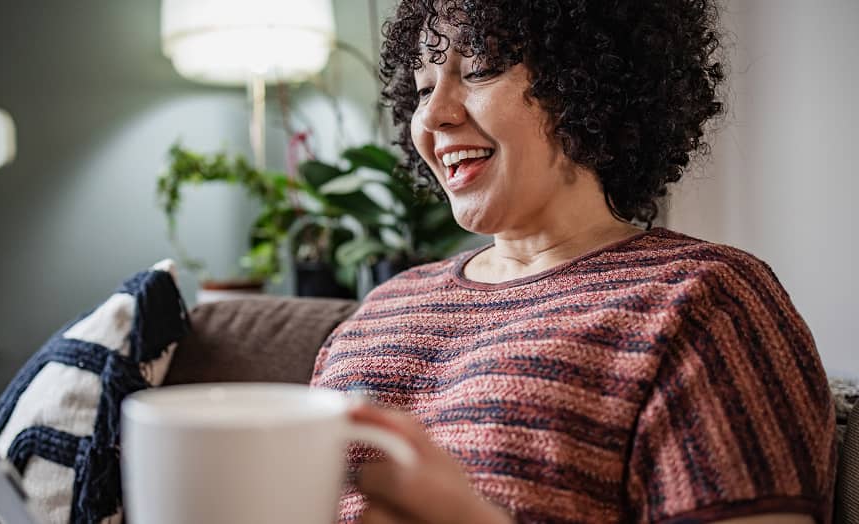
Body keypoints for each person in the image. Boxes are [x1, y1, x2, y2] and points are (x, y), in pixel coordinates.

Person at [309, 1, 837, 523]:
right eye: (423, 89)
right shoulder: (381, 307)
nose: (434, 114)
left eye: (482, 69)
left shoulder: (705, 299)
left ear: (584, 86)